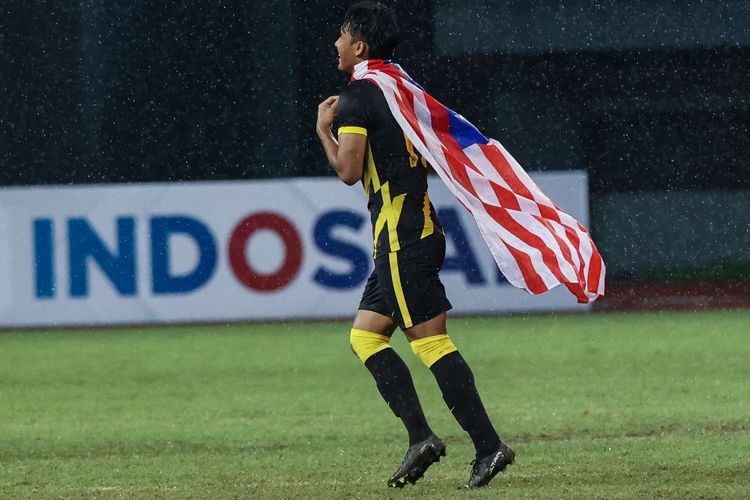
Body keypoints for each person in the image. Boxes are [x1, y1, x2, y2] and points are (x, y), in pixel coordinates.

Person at [315, 1, 514, 489]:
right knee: (365, 336)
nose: (335, 43)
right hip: (408, 233)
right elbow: (426, 156)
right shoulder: (401, 89)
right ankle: (421, 437)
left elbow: (348, 171)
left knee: (430, 342)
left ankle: (488, 446)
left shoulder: (360, 97)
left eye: (341, 35)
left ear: (359, 45)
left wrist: (323, 129)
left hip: (404, 239)